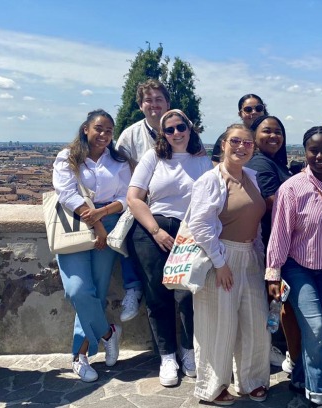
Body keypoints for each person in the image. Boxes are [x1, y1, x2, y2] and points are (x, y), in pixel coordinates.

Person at [127, 109, 212, 387]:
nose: (176, 133)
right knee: (157, 294)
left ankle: (188, 352)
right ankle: (167, 356)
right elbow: (134, 198)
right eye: (170, 129)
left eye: (181, 127)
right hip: (153, 230)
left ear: (190, 128)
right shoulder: (153, 157)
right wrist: (156, 230)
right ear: (162, 134)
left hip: (190, 232)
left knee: (189, 294)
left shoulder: (203, 161)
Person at [188, 124, 270, 405]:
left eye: (248, 143)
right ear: (223, 144)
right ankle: (213, 387)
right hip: (220, 258)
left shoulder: (252, 176)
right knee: (217, 326)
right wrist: (220, 263)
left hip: (249, 257)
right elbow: (199, 223)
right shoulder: (210, 180)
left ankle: (252, 381)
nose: (241, 147)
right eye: (235, 141)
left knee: (255, 322)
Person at [266, 126, 322, 408]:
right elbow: (280, 233)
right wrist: (273, 274)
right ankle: (320, 394)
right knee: (313, 329)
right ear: (305, 152)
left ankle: (300, 377)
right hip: (298, 268)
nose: (320, 155)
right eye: (314, 150)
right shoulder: (291, 188)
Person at [52, 109, 130, 382]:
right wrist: (95, 222)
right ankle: (108, 333)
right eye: (99, 128)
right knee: (77, 290)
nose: (104, 135)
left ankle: (80, 356)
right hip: (75, 224)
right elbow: (66, 193)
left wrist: (104, 214)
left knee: (95, 290)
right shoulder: (68, 157)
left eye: (109, 131)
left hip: (108, 226)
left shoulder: (118, 160)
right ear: (86, 128)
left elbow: (127, 197)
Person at [245, 115, 298, 373]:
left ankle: (269, 346)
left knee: (276, 300)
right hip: (269, 243)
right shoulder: (260, 163)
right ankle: (266, 348)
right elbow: (272, 201)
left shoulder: (273, 162)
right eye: (267, 131)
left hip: (277, 241)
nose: (274, 136)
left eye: (278, 131)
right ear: (255, 137)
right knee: (275, 300)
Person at [115, 79, 171, 322]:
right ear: (141, 105)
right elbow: (119, 173)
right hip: (141, 204)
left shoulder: (182, 128)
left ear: (168, 103)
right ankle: (133, 287)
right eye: (149, 100)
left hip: (175, 208)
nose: (154, 105)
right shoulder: (130, 136)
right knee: (123, 230)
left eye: (159, 99)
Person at [211, 94, 269, 165]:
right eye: (248, 110)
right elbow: (216, 164)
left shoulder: (271, 136)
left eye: (258, 108)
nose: (254, 112)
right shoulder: (228, 136)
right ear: (240, 114)